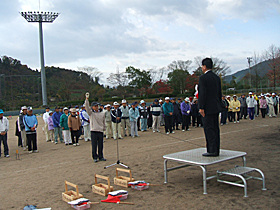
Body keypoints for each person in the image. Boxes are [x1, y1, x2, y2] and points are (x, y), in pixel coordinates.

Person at [198, 58, 222, 157]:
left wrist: (201, 107)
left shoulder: (203, 78)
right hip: (215, 106)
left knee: (209, 129)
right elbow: (219, 93)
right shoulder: (216, 77)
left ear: (204, 66)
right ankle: (216, 149)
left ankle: (211, 150)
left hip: (207, 107)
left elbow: (202, 93)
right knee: (215, 128)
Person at [85, 93, 106, 163]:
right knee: (94, 145)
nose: (97, 107)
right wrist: (87, 99)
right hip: (93, 130)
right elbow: (87, 107)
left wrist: (104, 128)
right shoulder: (91, 113)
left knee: (101, 145)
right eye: (95, 106)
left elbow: (103, 121)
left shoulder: (102, 113)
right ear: (93, 107)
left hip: (100, 130)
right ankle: (94, 157)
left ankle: (101, 156)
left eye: (97, 106)